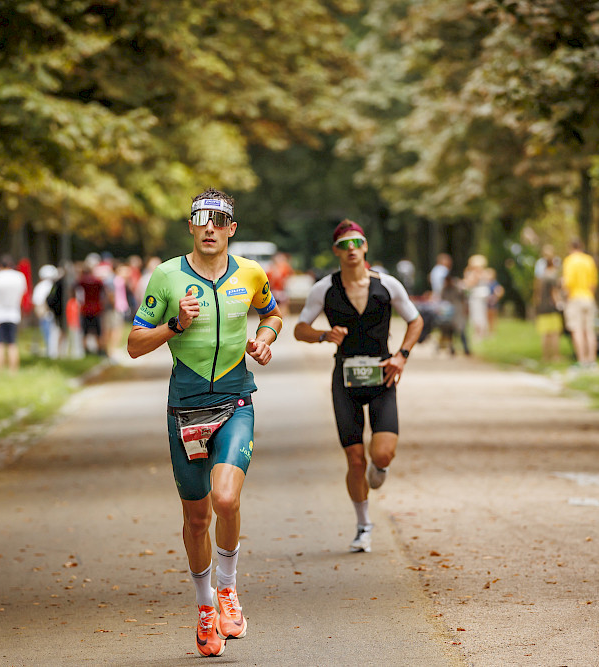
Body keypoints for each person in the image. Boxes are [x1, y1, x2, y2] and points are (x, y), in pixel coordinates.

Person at [128, 187, 282, 657]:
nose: (211, 227)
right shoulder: (167, 276)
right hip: (185, 409)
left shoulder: (252, 274)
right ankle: (204, 609)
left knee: (225, 497)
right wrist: (174, 326)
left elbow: (272, 314)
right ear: (191, 226)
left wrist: (264, 339)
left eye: (220, 220)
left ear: (232, 229)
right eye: (202, 219)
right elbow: (134, 344)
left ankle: (229, 589)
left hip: (236, 400)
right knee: (196, 518)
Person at [293, 220, 423, 554]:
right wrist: (324, 335)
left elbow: (415, 319)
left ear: (365, 248)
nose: (351, 250)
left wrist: (402, 356)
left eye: (357, 243)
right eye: (344, 245)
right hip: (345, 378)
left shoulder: (387, 285)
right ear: (336, 251)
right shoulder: (325, 289)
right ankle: (363, 525)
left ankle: (380, 467)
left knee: (380, 454)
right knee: (354, 460)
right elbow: (299, 329)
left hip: (382, 376)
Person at [0, 254, 29, 372]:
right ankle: (13, 370)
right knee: (12, 343)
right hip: (13, 313)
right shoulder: (20, 277)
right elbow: (23, 293)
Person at [562, 239, 599, 368]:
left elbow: (568, 283)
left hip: (575, 297)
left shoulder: (570, 261)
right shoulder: (589, 260)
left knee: (577, 330)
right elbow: (594, 283)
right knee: (589, 330)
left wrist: (566, 299)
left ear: (571, 248)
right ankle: (592, 360)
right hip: (588, 297)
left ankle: (582, 360)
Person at [76, 260, 110, 356]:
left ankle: (86, 350)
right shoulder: (97, 281)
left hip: (85, 308)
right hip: (96, 308)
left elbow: (74, 289)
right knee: (98, 332)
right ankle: (100, 350)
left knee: (85, 332)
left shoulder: (82, 281)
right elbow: (105, 292)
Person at [534, 257, 563, 363]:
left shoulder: (541, 278)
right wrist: (560, 304)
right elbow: (554, 292)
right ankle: (556, 356)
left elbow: (537, 294)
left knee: (545, 334)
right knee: (555, 333)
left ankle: (545, 357)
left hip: (542, 308)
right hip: (551, 308)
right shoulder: (552, 277)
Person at [33, 264, 61, 358]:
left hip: (46, 313)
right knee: (53, 334)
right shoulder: (54, 285)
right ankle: (52, 353)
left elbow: (37, 302)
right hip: (52, 313)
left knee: (49, 335)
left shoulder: (41, 286)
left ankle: (51, 353)